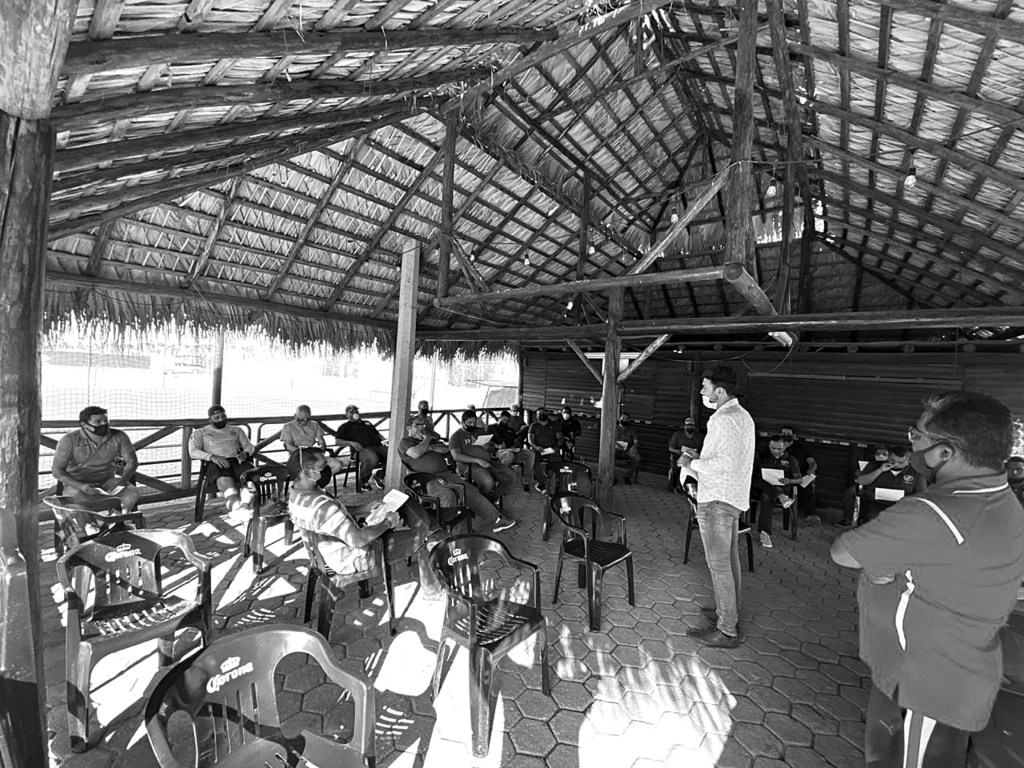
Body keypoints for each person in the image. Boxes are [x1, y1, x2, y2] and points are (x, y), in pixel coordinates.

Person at [831, 390, 1024, 767]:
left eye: (917, 435)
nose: (912, 443)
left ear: (945, 452)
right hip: (941, 672)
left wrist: (879, 566)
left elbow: (843, 552)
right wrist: (889, 565)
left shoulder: (936, 512)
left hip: (926, 687)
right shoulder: (1002, 499)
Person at [289, 447, 442, 597]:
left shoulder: (298, 496)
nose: (328, 468)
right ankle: (433, 591)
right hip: (356, 556)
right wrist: (388, 523)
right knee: (427, 540)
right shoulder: (322, 506)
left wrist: (365, 508)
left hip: (335, 551)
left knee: (405, 503)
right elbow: (358, 540)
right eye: (322, 466)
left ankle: (435, 533)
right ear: (307, 473)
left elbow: (336, 513)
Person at [676, 366, 755, 648]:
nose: (701, 392)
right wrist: (700, 457)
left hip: (717, 500)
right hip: (730, 497)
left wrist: (691, 463)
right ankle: (728, 612)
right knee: (730, 562)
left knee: (719, 565)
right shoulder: (742, 416)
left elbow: (725, 463)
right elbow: (728, 457)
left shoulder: (723, 419)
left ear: (719, 391)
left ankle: (726, 630)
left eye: (705, 387)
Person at [400, 417, 514, 532]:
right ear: (409, 428)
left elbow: (445, 449)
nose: (421, 427)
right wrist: (427, 440)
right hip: (427, 479)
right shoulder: (406, 442)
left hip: (445, 474)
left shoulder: (429, 441)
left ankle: (497, 520)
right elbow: (415, 453)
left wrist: (429, 447)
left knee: (469, 490)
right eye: (417, 425)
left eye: (422, 425)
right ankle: (450, 532)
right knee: (447, 496)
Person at [52, 405, 141, 512]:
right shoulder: (69, 439)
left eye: (106, 420)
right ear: (84, 424)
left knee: (131, 493)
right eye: (98, 422)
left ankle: (117, 519)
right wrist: (80, 486)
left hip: (108, 481)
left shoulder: (120, 436)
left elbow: (131, 462)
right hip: (77, 483)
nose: (104, 424)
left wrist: (123, 480)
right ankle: (90, 522)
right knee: (76, 501)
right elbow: (57, 470)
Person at [188, 405, 255, 514]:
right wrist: (212, 457)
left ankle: (245, 506)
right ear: (209, 420)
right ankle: (237, 510)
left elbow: (249, 446)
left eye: (223, 416)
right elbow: (193, 452)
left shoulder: (236, 430)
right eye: (217, 418)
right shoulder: (200, 432)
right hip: (215, 463)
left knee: (251, 480)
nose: (221, 419)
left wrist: (246, 453)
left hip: (237, 460)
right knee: (229, 488)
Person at [449, 410, 518, 502]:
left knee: (512, 477)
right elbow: (456, 456)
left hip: (487, 461)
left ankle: (489, 499)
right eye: (469, 423)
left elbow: (491, 448)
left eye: (474, 422)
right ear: (462, 422)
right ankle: (480, 501)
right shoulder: (456, 436)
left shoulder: (480, 431)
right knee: (488, 482)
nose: (473, 425)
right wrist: (478, 460)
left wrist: (487, 446)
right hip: (469, 466)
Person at [751, 435, 802, 549]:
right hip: (760, 487)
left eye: (779, 449)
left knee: (767, 496)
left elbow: (799, 480)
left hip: (781, 487)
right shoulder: (761, 456)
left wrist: (789, 480)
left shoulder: (791, 460)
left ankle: (765, 533)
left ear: (785, 447)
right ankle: (780, 496)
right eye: (773, 448)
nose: (775, 451)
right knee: (754, 478)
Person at [854, 445, 925, 525]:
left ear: (908, 461)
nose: (895, 464)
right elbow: (861, 481)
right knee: (872, 517)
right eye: (892, 460)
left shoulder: (916, 472)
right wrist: (880, 470)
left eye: (900, 462)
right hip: (875, 503)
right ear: (888, 457)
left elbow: (921, 494)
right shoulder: (874, 465)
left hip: (901, 506)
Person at [280, 405, 345, 485]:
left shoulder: (314, 424)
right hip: (298, 457)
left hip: (315, 456)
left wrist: (321, 452)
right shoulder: (288, 426)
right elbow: (289, 446)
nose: (304, 421)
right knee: (310, 470)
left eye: (307, 419)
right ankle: (309, 485)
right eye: (301, 419)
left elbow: (322, 442)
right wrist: (305, 453)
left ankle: (317, 484)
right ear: (295, 416)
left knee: (337, 465)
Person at [335, 405, 387, 491]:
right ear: (347, 415)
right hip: (361, 450)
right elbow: (338, 441)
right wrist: (351, 443)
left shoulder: (367, 423)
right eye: (352, 412)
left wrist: (385, 440)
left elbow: (377, 434)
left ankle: (379, 476)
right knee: (372, 458)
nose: (355, 413)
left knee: (394, 454)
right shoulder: (344, 427)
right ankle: (363, 481)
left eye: (356, 411)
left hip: (378, 447)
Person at [839, 445, 890, 528]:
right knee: (851, 491)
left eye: (884, 454)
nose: (881, 456)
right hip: (869, 488)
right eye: (878, 453)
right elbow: (861, 477)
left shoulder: (893, 466)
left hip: (888, 491)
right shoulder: (872, 464)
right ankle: (848, 519)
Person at [487, 410, 536, 492]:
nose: (505, 422)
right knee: (509, 455)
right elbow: (487, 441)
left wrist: (515, 444)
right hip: (499, 451)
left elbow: (516, 439)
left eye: (507, 421)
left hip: (512, 449)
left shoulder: (509, 429)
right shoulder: (491, 427)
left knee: (530, 453)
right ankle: (500, 480)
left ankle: (525, 480)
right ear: (499, 418)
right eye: (503, 420)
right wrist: (498, 446)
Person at [780, 425, 820, 523]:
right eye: (784, 433)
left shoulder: (801, 446)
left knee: (807, 486)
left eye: (788, 434)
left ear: (794, 436)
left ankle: (810, 515)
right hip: (782, 475)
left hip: (799, 475)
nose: (786, 435)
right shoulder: (777, 446)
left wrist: (811, 469)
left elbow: (812, 462)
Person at [527, 406, 564, 488]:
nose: (541, 415)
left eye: (543, 413)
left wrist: (556, 447)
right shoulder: (533, 425)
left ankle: (557, 484)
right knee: (535, 465)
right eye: (539, 414)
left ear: (547, 414)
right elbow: (530, 439)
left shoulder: (554, 425)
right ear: (536, 416)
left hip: (552, 450)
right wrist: (536, 447)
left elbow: (560, 438)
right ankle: (542, 483)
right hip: (538, 450)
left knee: (557, 465)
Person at [668, 417, 704, 492]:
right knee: (677, 467)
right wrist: (677, 451)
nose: (689, 427)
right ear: (684, 426)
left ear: (694, 427)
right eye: (687, 425)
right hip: (680, 456)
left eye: (691, 425)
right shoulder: (678, 435)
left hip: (694, 458)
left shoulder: (700, 437)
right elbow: (670, 448)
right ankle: (677, 486)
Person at [615, 412, 641, 485]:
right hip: (615, 449)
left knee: (637, 457)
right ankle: (613, 477)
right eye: (623, 418)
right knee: (608, 456)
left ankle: (627, 476)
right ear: (619, 419)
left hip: (627, 450)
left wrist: (634, 447)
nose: (624, 420)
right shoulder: (614, 428)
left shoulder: (631, 430)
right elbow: (608, 439)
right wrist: (615, 445)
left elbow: (636, 441)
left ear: (629, 420)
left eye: (626, 419)